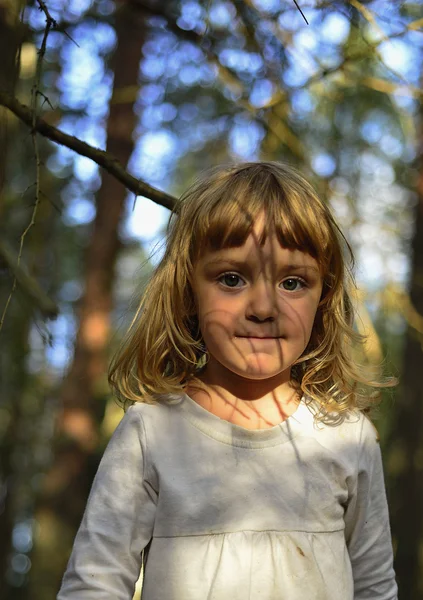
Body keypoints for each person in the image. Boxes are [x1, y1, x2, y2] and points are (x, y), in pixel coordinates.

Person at [57, 161, 398, 599]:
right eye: (232, 278)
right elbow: (95, 584)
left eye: (293, 282)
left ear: (323, 298)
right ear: (188, 292)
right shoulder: (152, 432)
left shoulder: (347, 438)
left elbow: (375, 587)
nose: (263, 306)